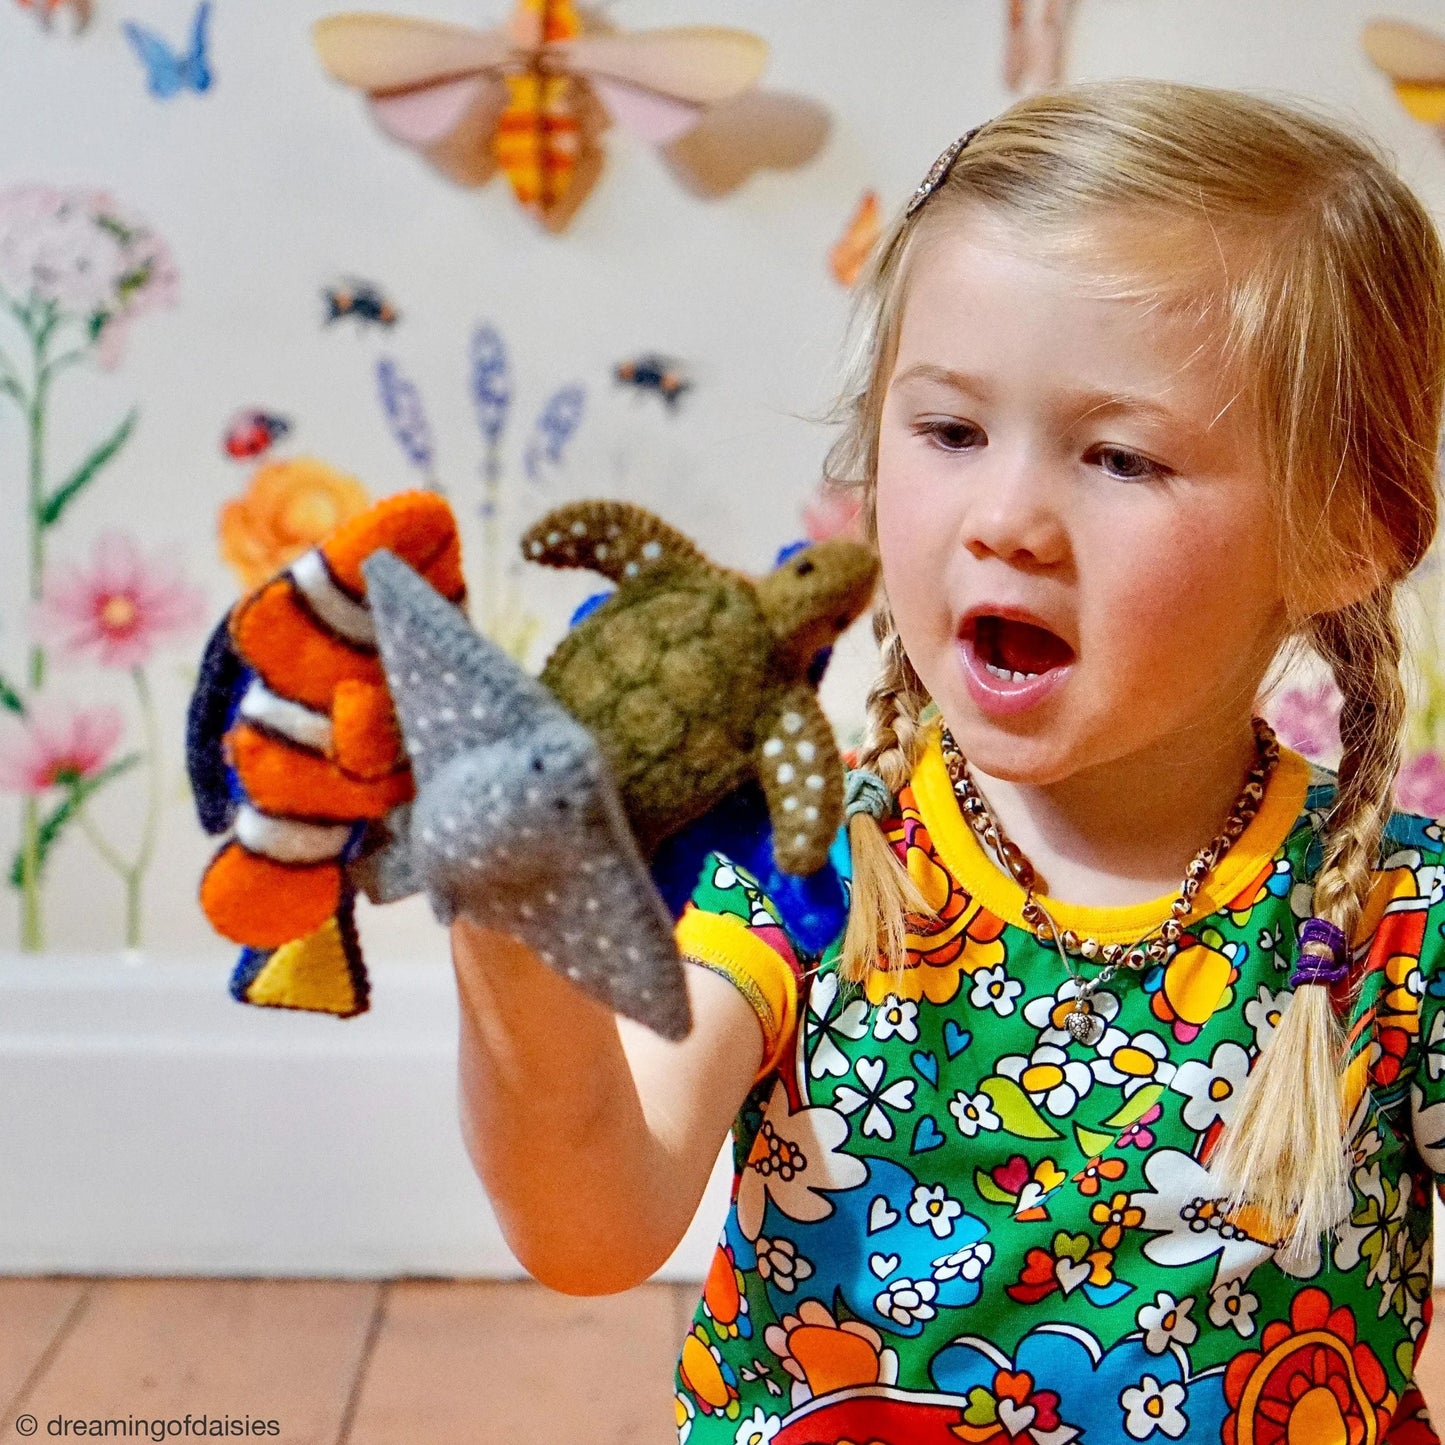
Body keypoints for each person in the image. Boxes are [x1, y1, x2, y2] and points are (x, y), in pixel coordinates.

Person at [447, 79, 1445, 1443]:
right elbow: (591, 1220)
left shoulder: (1391, 927)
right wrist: (511, 944)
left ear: (1341, 534)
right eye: (951, 432)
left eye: (1117, 456)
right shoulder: (802, 872)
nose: (1005, 518)